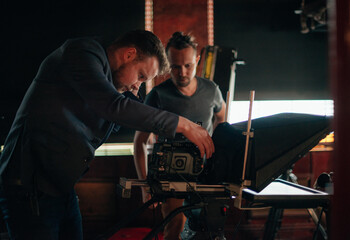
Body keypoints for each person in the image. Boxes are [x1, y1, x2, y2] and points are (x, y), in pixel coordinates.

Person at [0, 30, 215, 240]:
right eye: (140, 76)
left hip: (61, 191)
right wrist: (182, 124)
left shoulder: (108, 83)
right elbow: (114, 107)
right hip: (29, 190)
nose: (136, 87)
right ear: (129, 54)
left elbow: (119, 111)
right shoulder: (81, 53)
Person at [133, 31, 226, 240]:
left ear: (197, 61)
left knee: (208, 231)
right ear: (167, 63)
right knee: (174, 230)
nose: (182, 72)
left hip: (206, 174)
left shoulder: (212, 91)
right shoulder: (157, 95)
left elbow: (223, 120)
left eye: (188, 65)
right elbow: (139, 141)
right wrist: (145, 184)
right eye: (175, 66)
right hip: (170, 177)